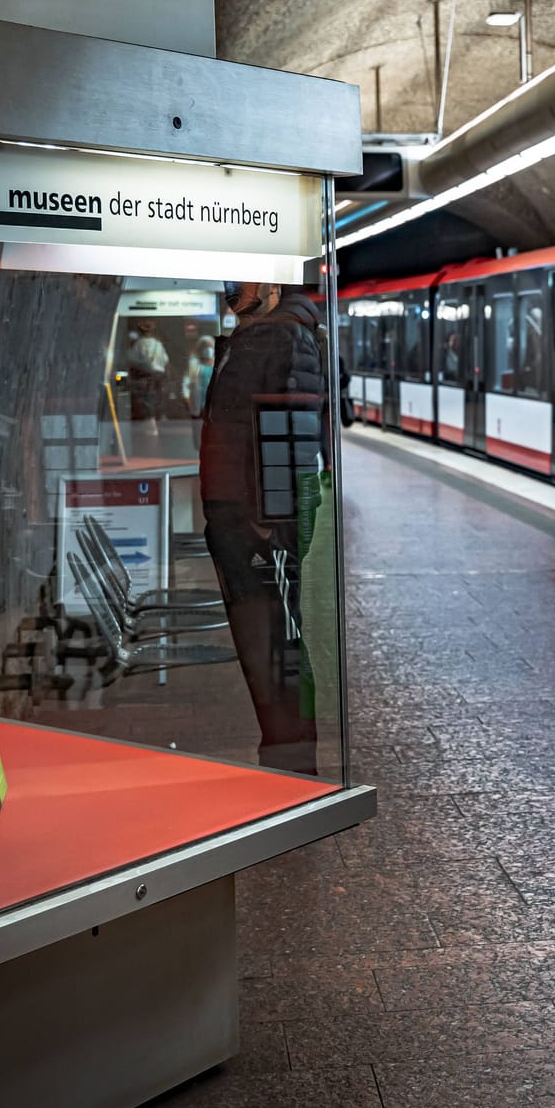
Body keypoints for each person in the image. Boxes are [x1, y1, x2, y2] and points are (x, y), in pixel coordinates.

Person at [200, 281, 332, 773]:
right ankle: (281, 754)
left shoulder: (285, 336)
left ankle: (295, 767)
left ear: (274, 282)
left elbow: (292, 435)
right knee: (261, 643)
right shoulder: (259, 333)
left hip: (262, 523)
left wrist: (268, 525)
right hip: (241, 517)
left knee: (278, 641)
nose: (233, 290)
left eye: (245, 279)